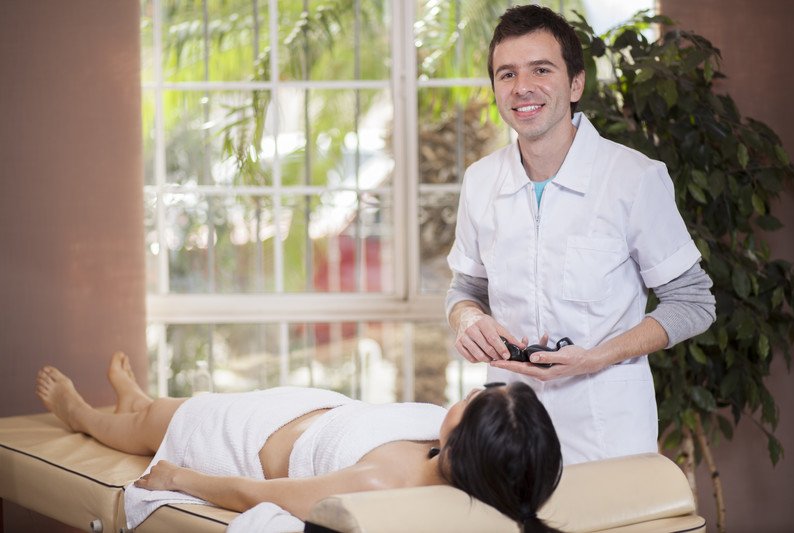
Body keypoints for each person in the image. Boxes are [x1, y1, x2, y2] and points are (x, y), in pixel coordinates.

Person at [446, 5, 716, 465]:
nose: (522, 87)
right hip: (508, 427)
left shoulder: (634, 178)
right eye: (506, 74)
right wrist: (468, 322)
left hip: (606, 427)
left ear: (575, 83)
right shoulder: (479, 180)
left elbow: (694, 302)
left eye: (541, 69)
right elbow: (466, 289)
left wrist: (599, 356)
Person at [35, 353, 563, 533]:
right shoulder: (445, 453)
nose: (469, 390)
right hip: (296, 409)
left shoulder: (379, 483)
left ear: (463, 447)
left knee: (152, 423)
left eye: (472, 401)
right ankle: (134, 398)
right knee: (160, 411)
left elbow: (259, 497)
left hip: (243, 441)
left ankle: (81, 414)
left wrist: (177, 479)